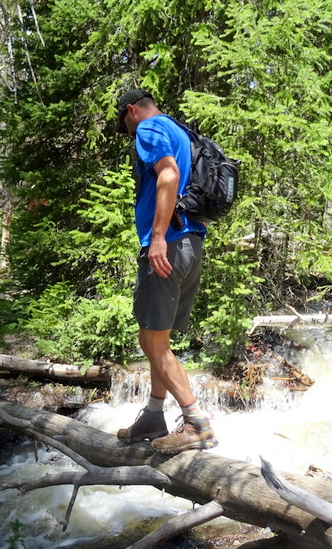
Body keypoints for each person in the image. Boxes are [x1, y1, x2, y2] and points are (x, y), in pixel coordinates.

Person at [114, 88, 218, 455]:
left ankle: (197, 423)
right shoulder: (181, 131)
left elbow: (169, 176)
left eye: (125, 124)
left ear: (131, 111)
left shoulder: (149, 128)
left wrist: (157, 237)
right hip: (190, 244)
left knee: (149, 341)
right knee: (159, 339)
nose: (129, 133)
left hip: (168, 246)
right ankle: (154, 415)